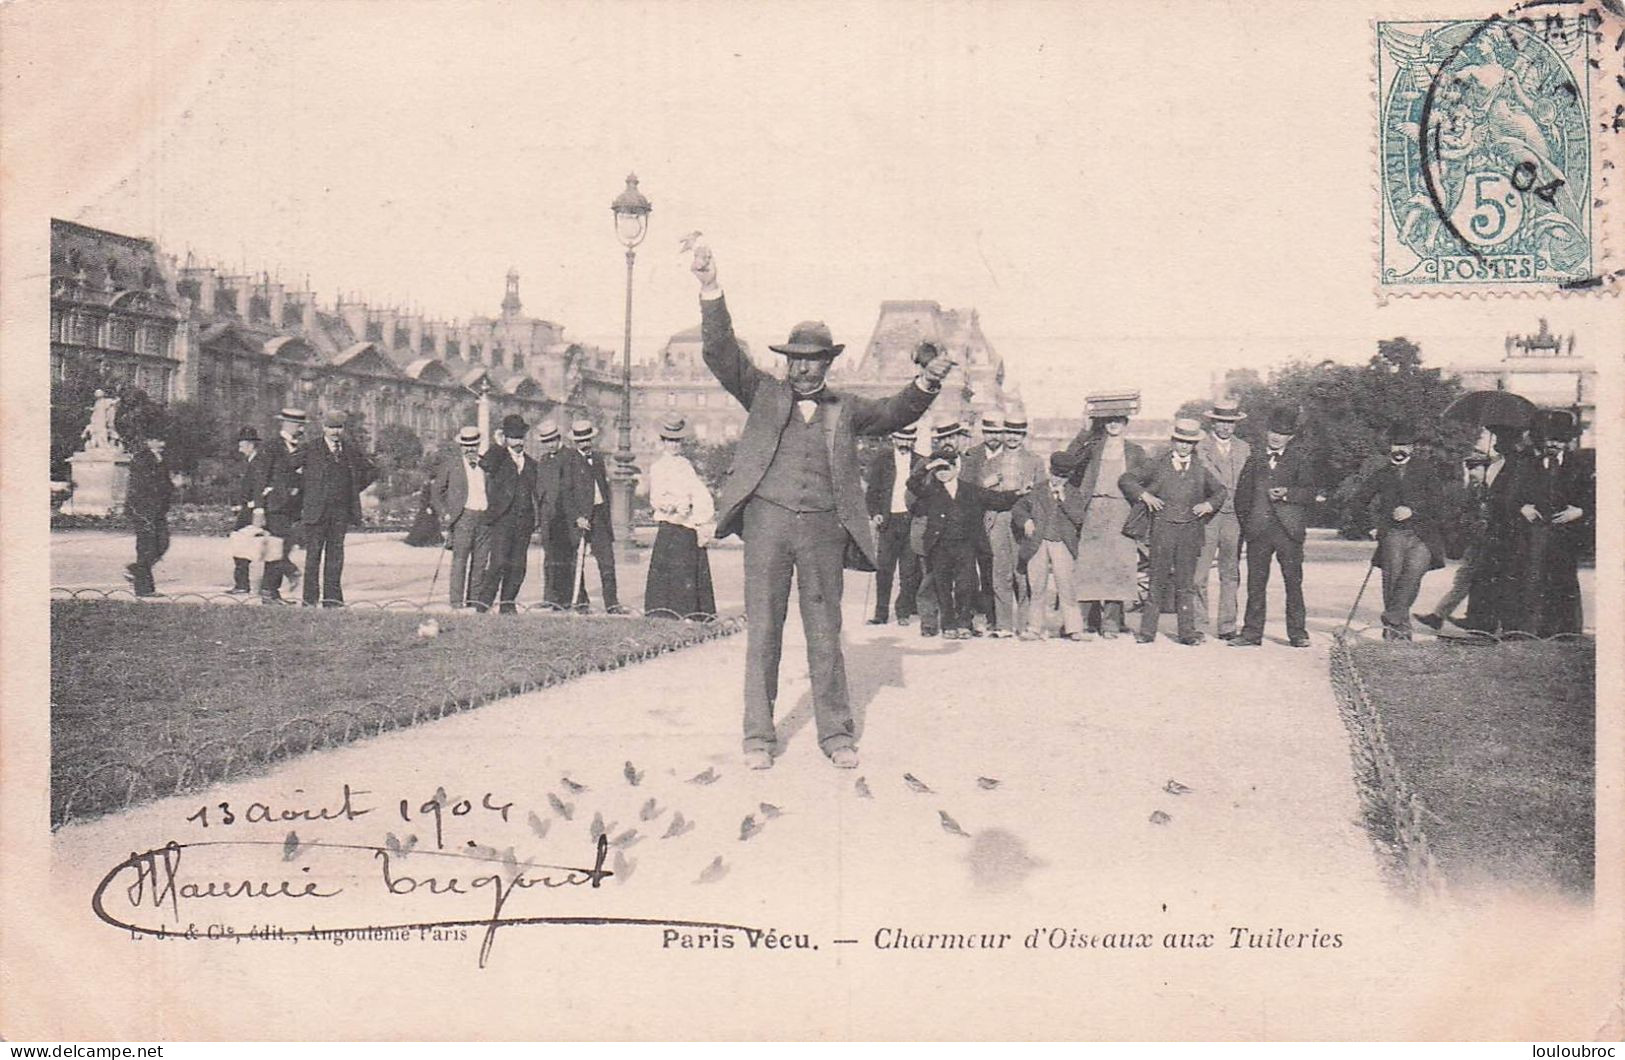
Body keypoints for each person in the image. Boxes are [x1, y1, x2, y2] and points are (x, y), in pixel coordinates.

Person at [693, 243, 949, 770]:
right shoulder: (761, 392)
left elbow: (895, 412)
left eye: (814, 361)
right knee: (763, 629)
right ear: (785, 362)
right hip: (766, 524)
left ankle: (836, 734)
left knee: (825, 631)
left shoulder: (846, 408)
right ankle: (759, 737)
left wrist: (928, 382)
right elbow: (720, 353)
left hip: (825, 530)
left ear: (827, 364)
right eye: (796, 361)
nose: (804, 371)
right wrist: (710, 287)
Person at [1120, 418, 1227, 645]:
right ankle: (1147, 632)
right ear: (1173, 441)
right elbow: (1127, 479)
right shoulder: (1157, 464)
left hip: (1190, 531)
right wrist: (1145, 495)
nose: (1184, 447)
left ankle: (1187, 633)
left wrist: (1208, 505)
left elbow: (1220, 491)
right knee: (1156, 581)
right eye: (1180, 441)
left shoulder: (1200, 468)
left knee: (1185, 584)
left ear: (1194, 445)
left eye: (1189, 443)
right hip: (1162, 530)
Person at [907, 447, 1025, 638]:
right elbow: (912, 483)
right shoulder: (930, 490)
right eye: (939, 470)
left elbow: (997, 499)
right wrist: (928, 466)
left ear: (956, 468)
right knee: (943, 586)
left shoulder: (970, 490)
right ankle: (948, 626)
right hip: (939, 546)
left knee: (965, 585)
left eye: (947, 468)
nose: (943, 473)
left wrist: (1019, 493)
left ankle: (964, 623)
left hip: (965, 546)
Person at [1348, 423, 1448, 641]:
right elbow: (1358, 501)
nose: (1400, 449)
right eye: (1396, 445)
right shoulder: (1382, 474)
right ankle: (1398, 633)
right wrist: (1370, 527)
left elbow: (1440, 504)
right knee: (1393, 581)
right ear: (1389, 447)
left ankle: (1392, 617)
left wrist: (1413, 510)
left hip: (1423, 535)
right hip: (1392, 534)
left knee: (1412, 576)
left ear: (1412, 448)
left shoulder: (1427, 470)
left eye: (1405, 445)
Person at [1231, 407, 1317, 648]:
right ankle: (1251, 633)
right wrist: (1248, 526)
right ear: (1266, 432)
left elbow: (1310, 493)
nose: (1276, 437)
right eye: (1273, 431)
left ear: (1291, 437)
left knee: (1293, 583)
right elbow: (1242, 497)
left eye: (1282, 433)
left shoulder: (1300, 460)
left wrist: (1288, 493)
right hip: (1259, 531)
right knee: (1256, 584)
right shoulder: (1254, 459)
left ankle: (1298, 634)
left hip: (1288, 532)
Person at [1062, 401, 1146, 638]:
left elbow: (1149, 479)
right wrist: (1084, 430)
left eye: (1118, 420)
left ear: (1126, 423)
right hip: (1094, 509)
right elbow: (1068, 460)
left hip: (1122, 510)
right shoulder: (1093, 446)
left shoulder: (1136, 451)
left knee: (1118, 566)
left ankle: (1111, 622)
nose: (1113, 424)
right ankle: (1088, 621)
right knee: (1090, 566)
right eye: (1109, 420)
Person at [1504, 410, 1591, 636]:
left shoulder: (1579, 465)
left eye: (1559, 440)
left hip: (1565, 532)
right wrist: (1522, 507)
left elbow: (1593, 496)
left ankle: (1567, 631)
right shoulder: (1528, 464)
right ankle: (1530, 630)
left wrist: (1579, 511)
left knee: (1564, 578)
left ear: (1568, 441)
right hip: (1535, 531)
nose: (1554, 445)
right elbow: (1511, 495)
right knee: (1532, 576)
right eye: (1550, 439)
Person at [644, 415, 718, 619]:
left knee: (689, 568)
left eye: (677, 441)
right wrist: (675, 507)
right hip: (671, 523)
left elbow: (697, 490)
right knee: (671, 570)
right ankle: (667, 612)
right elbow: (657, 498)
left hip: (688, 523)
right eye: (670, 440)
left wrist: (697, 510)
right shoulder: (658, 466)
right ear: (663, 441)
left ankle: (692, 612)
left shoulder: (685, 464)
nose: (674, 445)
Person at [298, 410, 374, 607]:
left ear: (343, 429)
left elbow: (370, 470)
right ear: (323, 428)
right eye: (331, 427)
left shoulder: (349, 449)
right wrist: (306, 491)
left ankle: (332, 600)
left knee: (335, 557)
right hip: (316, 511)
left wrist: (354, 489)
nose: (335, 432)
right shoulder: (311, 448)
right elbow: (288, 469)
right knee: (313, 556)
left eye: (338, 427)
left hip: (340, 512)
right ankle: (309, 600)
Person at [1012, 451, 1087, 640]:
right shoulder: (1037, 490)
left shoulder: (1073, 493)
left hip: (1062, 543)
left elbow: (1079, 518)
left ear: (1068, 476)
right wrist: (1026, 521)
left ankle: (1074, 628)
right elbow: (1019, 508)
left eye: (1063, 477)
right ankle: (1035, 628)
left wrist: (1064, 500)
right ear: (1049, 471)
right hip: (1038, 542)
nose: (1058, 480)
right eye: (1055, 474)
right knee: (1037, 586)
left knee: (1066, 585)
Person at [1414, 451, 1492, 632]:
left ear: (1487, 469)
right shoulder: (1474, 489)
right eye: (1469, 468)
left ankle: (1444, 616)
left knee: (1469, 580)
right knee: (1464, 579)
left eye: (1476, 468)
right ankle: (1441, 615)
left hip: (1488, 545)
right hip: (1476, 543)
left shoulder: (1491, 489)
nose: (1472, 472)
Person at [1193, 397, 1251, 640]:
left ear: (1236, 425)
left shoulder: (1245, 448)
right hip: (1207, 516)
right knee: (1199, 573)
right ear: (1213, 423)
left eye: (1230, 423)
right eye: (1221, 422)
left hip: (1234, 517)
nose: (1226, 427)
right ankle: (1197, 624)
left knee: (1230, 573)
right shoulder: (1199, 447)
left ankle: (1227, 626)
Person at [985, 411, 1046, 637]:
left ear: (1023, 436)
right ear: (1003, 434)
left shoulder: (1035, 461)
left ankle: (1024, 623)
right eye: (1009, 433)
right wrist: (991, 482)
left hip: (1023, 521)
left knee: (1022, 571)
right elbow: (984, 492)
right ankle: (1003, 625)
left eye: (1017, 434)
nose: (1012, 438)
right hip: (998, 519)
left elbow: (1041, 495)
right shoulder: (991, 463)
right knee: (1000, 572)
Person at [478, 414, 545, 614]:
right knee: (498, 563)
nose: (518, 441)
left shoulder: (532, 464)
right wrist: (498, 445)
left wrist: (538, 519)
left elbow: (538, 491)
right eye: (513, 437)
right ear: (506, 438)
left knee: (518, 566)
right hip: (502, 519)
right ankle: (484, 604)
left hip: (524, 521)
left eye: (520, 437)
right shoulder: (498, 458)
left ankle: (508, 604)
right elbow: (485, 464)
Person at [558, 419, 622, 613]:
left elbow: (603, 486)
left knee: (607, 562)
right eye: (580, 441)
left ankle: (612, 604)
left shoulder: (598, 458)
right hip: (581, 519)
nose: (584, 444)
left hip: (599, 515)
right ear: (575, 442)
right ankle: (581, 602)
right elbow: (566, 493)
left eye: (587, 440)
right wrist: (577, 516)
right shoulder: (569, 461)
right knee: (578, 562)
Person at [865, 424, 923, 626]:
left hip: (911, 520)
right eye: (902, 438)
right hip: (889, 521)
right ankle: (880, 613)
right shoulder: (883, 460)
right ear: (894, 438)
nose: (905, 443)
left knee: (909, 570)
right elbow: (872, 491)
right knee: (884, 569)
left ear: (914, 440)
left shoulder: (920, 462)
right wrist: (875, 513)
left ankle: (903, 611)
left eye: (909, 439)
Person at [435, 426, 495, 609]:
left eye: (473, 445)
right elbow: (437, 491)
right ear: (460, 446)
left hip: (484, 518)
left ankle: (474, 600)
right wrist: (444, 512)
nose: (470, 449)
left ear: (478, 445)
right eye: (466, 446)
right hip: (463, 518)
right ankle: (456, 602)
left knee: (481, 562)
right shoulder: (451, 464)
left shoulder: (487, 464)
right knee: (460, 560)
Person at [960, 411, 1006, 635]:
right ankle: (966, 618)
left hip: (999, 520)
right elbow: (965, 487)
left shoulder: (1010, 455)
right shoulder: (971, 455)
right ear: (983, 433)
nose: (994, 437)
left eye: (998, 433)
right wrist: (987, 483)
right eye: (990, 432)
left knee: (993, 571)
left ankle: (994, 617)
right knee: (969, 573)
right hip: (973, 521)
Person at [258, 407, 307, 603]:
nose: (301, 430)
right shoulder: (271, 446)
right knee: (278, 548)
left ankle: (270, 592)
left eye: (302, 426)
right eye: (297, 425)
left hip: (292, 508)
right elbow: (260, 478)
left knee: (280, 547)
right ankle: (285, 576)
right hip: (275, 506)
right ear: (285, 424)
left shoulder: (301, 447)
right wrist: (259, 508)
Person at [124, 429, 173, 598]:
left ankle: (136, 570)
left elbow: (165, 483)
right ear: (149, 441)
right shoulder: (141, 458)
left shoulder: (161, 459)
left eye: (163, 441)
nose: (162, 445)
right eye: (159, 441)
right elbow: (141, 486)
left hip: (157, 510)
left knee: (163, 543)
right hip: (143, 510)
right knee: (146, 547)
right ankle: (144, 589)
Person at [531, 420, 572, 607]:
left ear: (558, 438)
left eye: (552, 440)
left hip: (565, 517)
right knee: (549, 558)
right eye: (546, 441)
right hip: (548, 516)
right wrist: (540, 517)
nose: (549, 444)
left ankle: (567, 598)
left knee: (565, 558)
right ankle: (549, 597)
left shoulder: (570, 457)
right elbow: (539, 490)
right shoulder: (544, 460)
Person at [228, 426, 270, 594]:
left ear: (250, 445)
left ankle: (242, 584)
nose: (239, 448)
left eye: (242, 444)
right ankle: (242, 583)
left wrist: (256, 508)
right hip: (249, 509)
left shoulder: (258, 462)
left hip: (253, 511)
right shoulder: (251, 461)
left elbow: (259, 487)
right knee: (244, 544)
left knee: (241, 543)